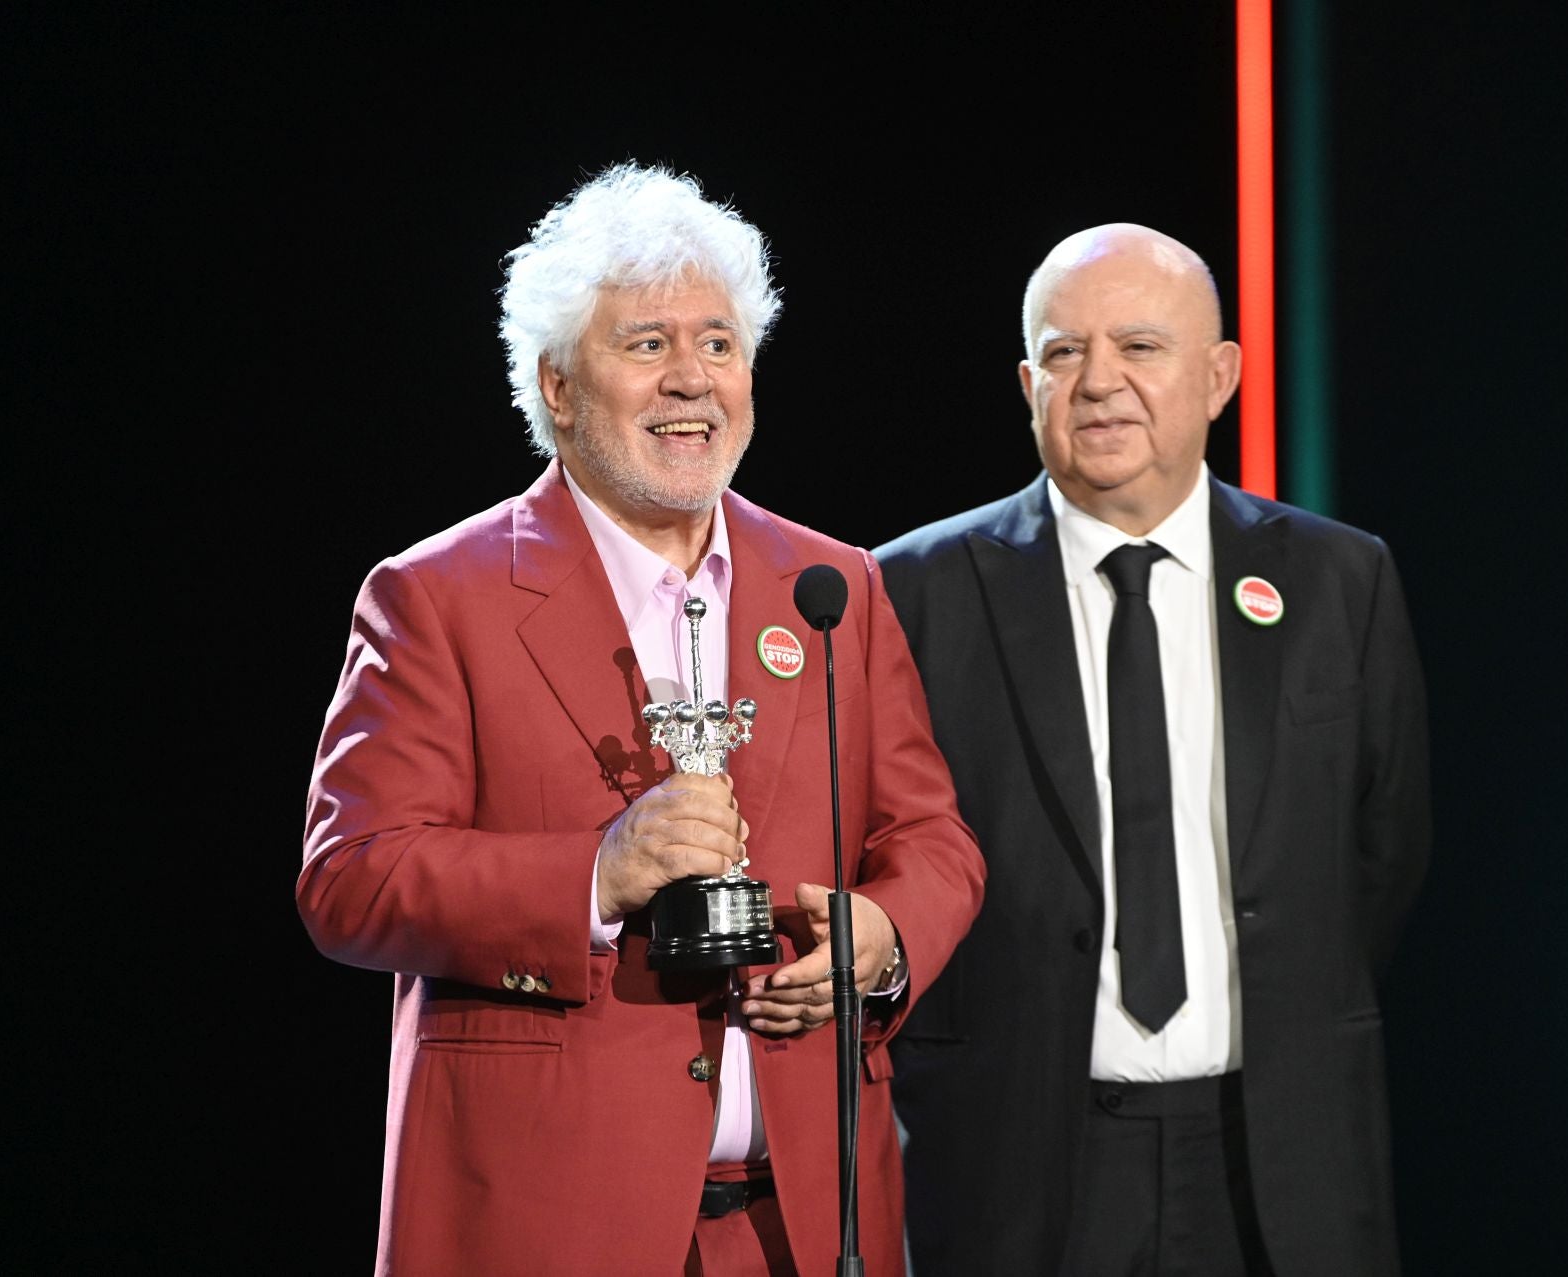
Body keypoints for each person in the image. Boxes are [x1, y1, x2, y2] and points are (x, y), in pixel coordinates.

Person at [298, 164, 984, 1277]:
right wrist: (595, 875)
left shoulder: (832, 585)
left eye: (718, 343)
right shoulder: (437, 597)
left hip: (802, 1223)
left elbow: (934, 840)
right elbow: (352, 880)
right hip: (547, 1222)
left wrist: (888, 934)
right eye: (647, 344)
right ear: (557, 385)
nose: (691, 380)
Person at [877, 224, 1430, 1276]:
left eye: (1139, 346)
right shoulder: (911, 592)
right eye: (1064, 352)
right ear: (1026, 381)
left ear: (1218, 376)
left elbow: (1384, 852)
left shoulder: (1338, 582)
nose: (1099, 383)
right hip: (1014, 1160)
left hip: (1279, 1152)